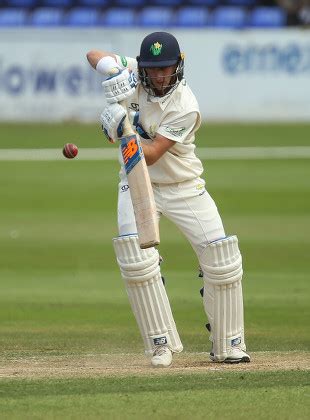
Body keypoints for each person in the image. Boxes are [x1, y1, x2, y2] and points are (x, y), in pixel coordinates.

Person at [87, 32, 250, 368]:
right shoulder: (135, 72)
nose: (159, 76)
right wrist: (112, 71)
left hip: (183, 185)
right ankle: (160, 344)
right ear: (143, 66)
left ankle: (230, 344)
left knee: (221, 259)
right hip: (135, 184)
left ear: (179, 65)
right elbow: (93, 54)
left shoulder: (186, 106)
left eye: (166, 68)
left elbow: (151, 154)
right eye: (153, 68)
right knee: (136, 259)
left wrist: (121, 130)